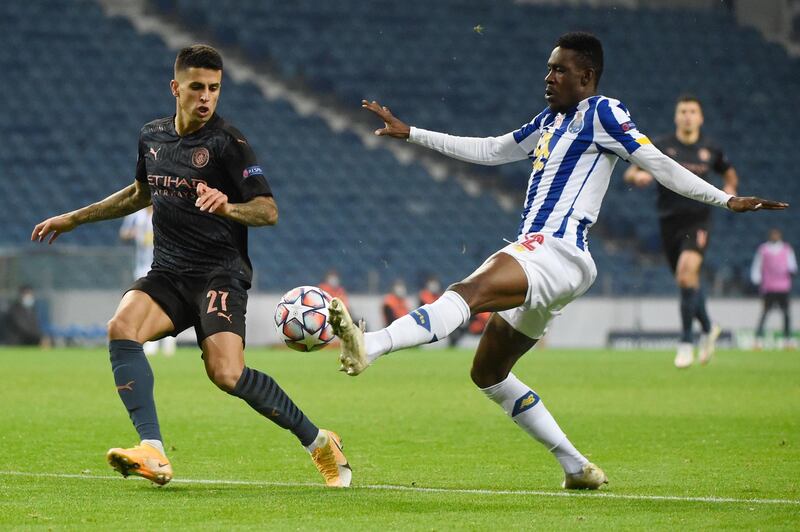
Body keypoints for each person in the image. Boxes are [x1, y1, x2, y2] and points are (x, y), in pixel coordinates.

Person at [328, 32, 787, 490]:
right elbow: (492, 150)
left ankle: (373, 345)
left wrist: (725, 200)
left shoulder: (603, 112)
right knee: (488, 372)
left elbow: (657, 162)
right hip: (553, 262)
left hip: (555, 249)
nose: (548, 77)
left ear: (586, 76)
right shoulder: (549, 120)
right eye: (549, 68)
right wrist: (413, 133)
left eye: (559, 69)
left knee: (467, 293)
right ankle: (575, 466)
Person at [31, 44, 351, 488]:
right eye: (197, 87)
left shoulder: (228, 144)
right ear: (175, 87)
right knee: (121, 327)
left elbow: (268, 211)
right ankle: (153, 452)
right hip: (169, 272)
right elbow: (139, 193)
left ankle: (319, 442)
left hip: (220, 272)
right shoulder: (152, 136)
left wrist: (228, 209)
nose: (206, 97)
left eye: (214, 89)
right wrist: (75, 217)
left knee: (226, 374)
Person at [624, 95, 740, 368]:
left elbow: (730, 175)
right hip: (669, 221)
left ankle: (686, 341)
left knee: (687, 274)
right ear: (676, 117)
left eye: (693, 112)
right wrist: (638, 176)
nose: (688, 116)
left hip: (698, 220)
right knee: (686, 281)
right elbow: (631, 173)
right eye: (683, 111)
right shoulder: (662, 145)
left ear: (700, 118)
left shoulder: (711, 149)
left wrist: (731, 191)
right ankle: (709, 327)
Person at [119, 205, 176, 356]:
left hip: (164, 266)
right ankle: (151, 342)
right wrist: (134, 233)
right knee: (145, 305)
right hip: (142, 266)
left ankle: (169, 342)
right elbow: (123, 233)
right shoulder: (136, 214)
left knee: (164, 303)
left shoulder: (163, 211)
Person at [751, 228, 797, 349]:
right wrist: (757, 280)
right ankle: (758, 339)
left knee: (786, 314)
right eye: (773, 235)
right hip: (769, 286)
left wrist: (790, 273)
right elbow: (757, 266)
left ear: (780, 236)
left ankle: (788, 340)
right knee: (765, 313)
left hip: (783, 287)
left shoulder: (787, 249)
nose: (775, 236)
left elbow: (792, 266)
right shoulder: (763, 249)